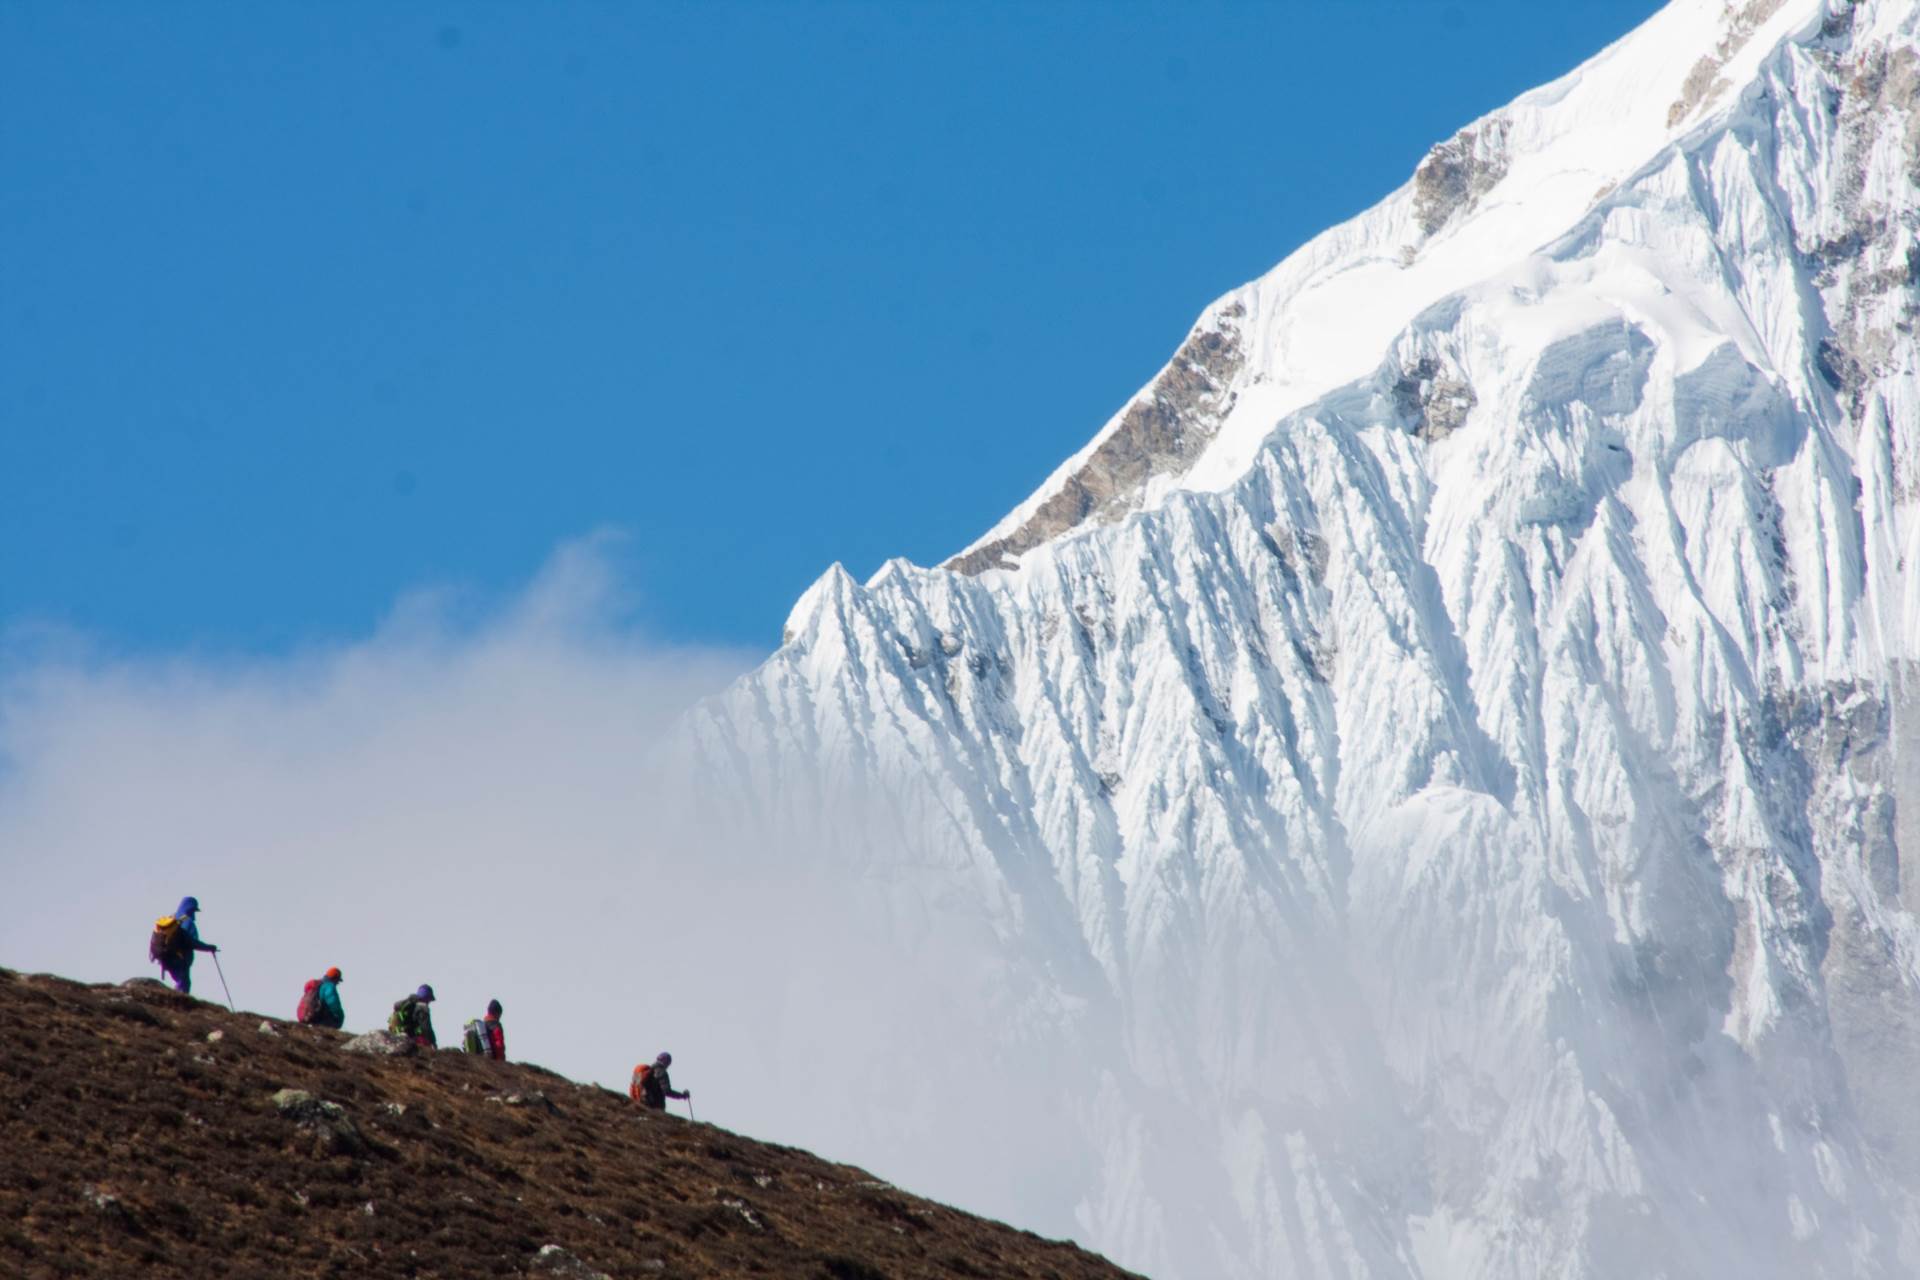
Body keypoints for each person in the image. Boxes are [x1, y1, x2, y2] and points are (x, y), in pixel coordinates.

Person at [149, 896, 218, 995]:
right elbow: (192, 942)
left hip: (164, 958)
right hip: (179, 959)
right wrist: (209, 948)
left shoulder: (171, 919)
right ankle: (178, 1004)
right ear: (191, 909)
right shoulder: (188, 922)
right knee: (184, 983)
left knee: (181, 982)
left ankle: (176, 1001)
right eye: (194, 910)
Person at [389, 984, 437, 1048]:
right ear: (427, 998)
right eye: (429, 1000)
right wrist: (433, 1042)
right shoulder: (422, 1007)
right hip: (410, 1037)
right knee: (425, 1042)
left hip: (396, 1036)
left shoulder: (408, 1004)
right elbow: (426, 1027)